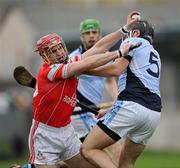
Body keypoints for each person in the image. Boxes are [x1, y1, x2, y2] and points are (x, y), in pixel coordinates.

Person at [27, 11, 141, 168]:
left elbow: (99, 47)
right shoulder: (51, 71)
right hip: (45, 135)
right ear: (44, 56)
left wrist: (124, 29)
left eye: (60, 47)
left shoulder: (70, 60)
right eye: (53, 51)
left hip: (67, 130)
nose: (59, 53)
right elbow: (87, 63)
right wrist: (119, 52)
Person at [80, 20, 161, 168]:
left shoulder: (134, 41)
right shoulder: (155, 53)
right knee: (126, 163)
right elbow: (142, 90)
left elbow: (115, 70)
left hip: (131, 107)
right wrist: (112, 109)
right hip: (153, 114)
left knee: (88, 149)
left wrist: (83, 69)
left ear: (135, 33)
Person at [69, 18, 118, 142]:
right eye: (87, 33)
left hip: (91, 111)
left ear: (100, 35)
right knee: (110, 146)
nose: (91, 36)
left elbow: (109, 80)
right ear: (81, 37)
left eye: (94, 32)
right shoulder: (73, 58)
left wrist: (117, 98)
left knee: (81, 156)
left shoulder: (106, 57)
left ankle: (35, 163)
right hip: (79, 112)